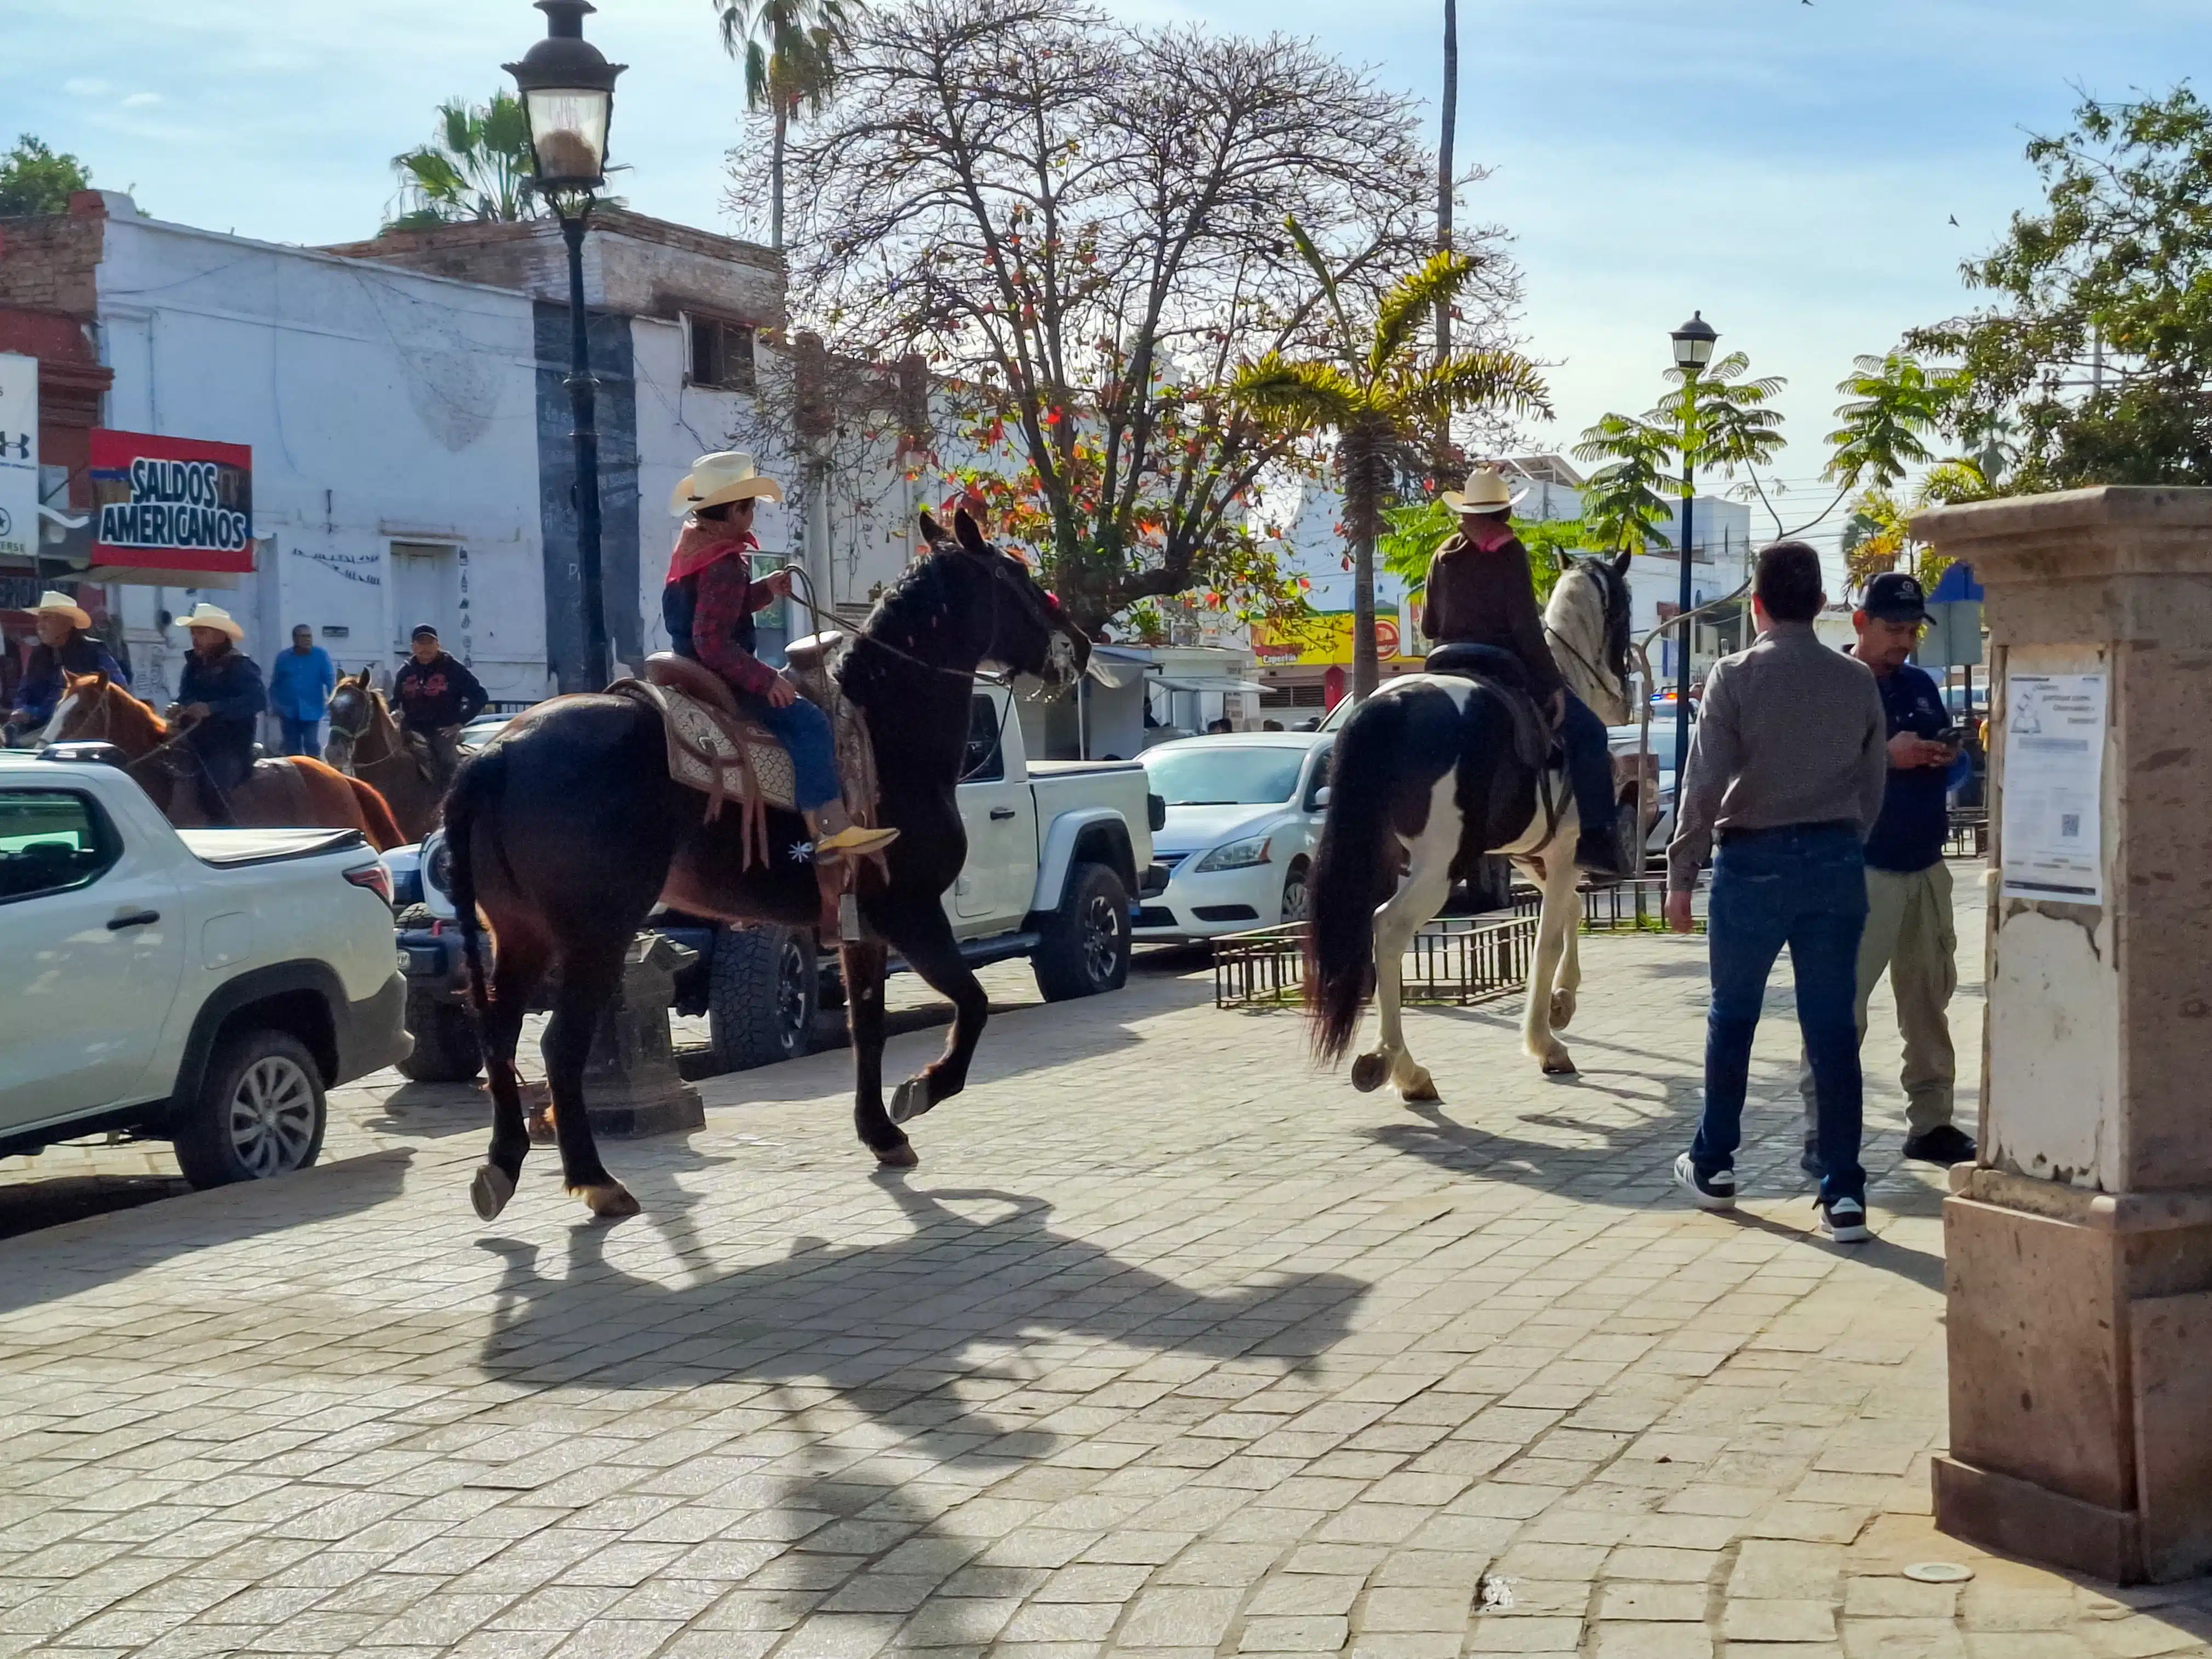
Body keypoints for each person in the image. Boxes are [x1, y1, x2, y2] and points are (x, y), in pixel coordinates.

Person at [1665, 541, 1888, 1244]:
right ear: (1820, 606)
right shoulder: (1856, 681)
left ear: (1755, 606)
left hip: (1750, 862)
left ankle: (1715, 1164)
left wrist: (1680, 873)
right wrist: (1844, 840)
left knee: (1733, 1015)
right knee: (1831, 1030)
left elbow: (1702, 786)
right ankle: (1843, 1192)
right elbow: (1873, 783)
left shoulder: (1732, 676)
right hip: (1834, 858)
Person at [1795, 572, 1978, 1174]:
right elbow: (1808, 771)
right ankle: (1824, 1131)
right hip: (1856, 870)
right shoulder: (1826, 684)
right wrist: (1887, 756)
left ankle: (1932, 1124)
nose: (1903, 641)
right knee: (1839, 1005)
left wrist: (1946, 757)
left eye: (1910, 629)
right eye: (1891, 628)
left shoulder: (1921, 684)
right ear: (1859, 623)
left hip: (1924, 864)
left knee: (1929, 999)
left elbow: (1953, 774)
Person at [664, 450, 898, 868]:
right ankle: (829, 828)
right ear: (736, 510)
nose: (753, 514)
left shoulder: (696, 548)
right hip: (718, 671)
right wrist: (765, 680)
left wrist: (765, 589)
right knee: (808, 722)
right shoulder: (723, 564)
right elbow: (712, 642)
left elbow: (716, 610)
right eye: (750, 507)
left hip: (689, 666)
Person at [1421, 466, 1625, 875]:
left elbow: (1428, 624)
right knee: (1590, 732)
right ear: (1502, 515)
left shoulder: (1442, 553)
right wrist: (1551, 684)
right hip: (1500, 661)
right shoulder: (1510, 551)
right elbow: (1525, 628)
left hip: (1445, 659)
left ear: (1467, 513)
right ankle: (1597, 835)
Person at [169, 603, 266, 824]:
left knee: (213, 788)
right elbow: (186, 696)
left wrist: (212, 708)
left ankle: (229, 832)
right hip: (194, 742)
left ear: (220, 635)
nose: (195, 637)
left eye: (202, 632)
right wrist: (179, 707)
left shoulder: (240, 665)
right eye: (193, 632)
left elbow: (257, 700)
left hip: (230, 746)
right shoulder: (193, 665)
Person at [5, 590, 128, 740]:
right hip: (37, 727)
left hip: (77, 728)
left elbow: (119, 686)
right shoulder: (38, 654)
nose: (40, 626)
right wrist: (21, 710)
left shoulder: (93, 651)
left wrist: (35, 712)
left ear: (67, 624)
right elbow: (25, 689)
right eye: (40, 620)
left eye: (47, 619)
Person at [392, 624, 489, 787]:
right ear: (413, 647)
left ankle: (451, 801)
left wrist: (459, 722)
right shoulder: (405, 671)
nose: (426, 648)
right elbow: (396, 700)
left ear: (438, 645)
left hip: (442, 731)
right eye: (421, 643)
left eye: (430, 643)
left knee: (447, 762)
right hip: (411, 730)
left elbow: (480, 695)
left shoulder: (452, 668)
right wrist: (393, 712)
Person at [266, 623, 337, 757]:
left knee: (311, 744)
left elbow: (329, 680)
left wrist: (334, 701)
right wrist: (274, 705)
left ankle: (315, 774)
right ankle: (296, 776)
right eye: (303, 637)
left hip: (312, 710)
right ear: (295, 639)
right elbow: (275, 684)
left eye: (309, 636)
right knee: (292, 748)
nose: (308, 640)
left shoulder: (320, 656)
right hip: (288, 711)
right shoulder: (283, 658)